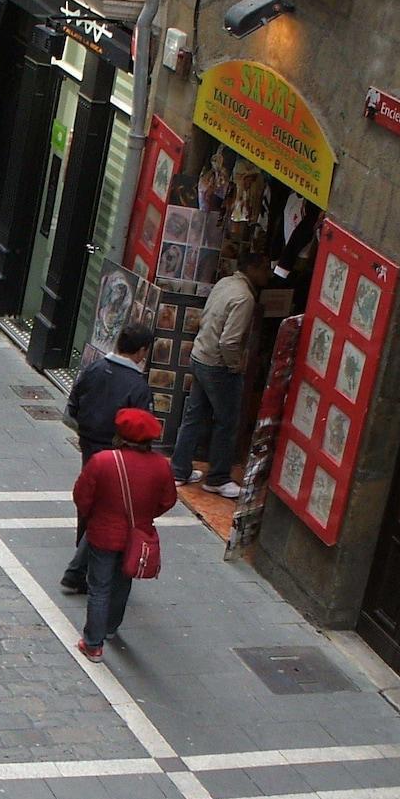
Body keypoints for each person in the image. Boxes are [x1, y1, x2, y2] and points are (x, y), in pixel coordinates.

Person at [73, 408, 178, 659]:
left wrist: (93, 516)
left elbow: (82, 496)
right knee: (123, 583)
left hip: (103, 534)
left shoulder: (103, 461)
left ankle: (93, 643)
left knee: (99, 586)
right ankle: (110, 628)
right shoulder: (161, 467)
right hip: (137, 534)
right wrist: (146, 515)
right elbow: (168, 500)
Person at [60, 322, 154, 594]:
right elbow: (142, 429)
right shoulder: (137, 386)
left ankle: (81, 567)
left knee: (90, 504)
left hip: (90, 446)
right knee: (111, 511)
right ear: (141, 351)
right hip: (118, 455)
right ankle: (80, 571)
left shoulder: (94, 368)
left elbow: (73, 405)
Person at [170, 258, 271, 498]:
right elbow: (229, 341)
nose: (267, 274)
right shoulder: (245, 298)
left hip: (200, 355)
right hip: (218, 365)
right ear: (252, 268)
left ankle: (179, 470)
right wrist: (235, 366)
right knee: (227, 422)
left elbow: (206, 318)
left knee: (194, 416)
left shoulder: (225, 283)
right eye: (264, 268)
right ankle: (217, 478)